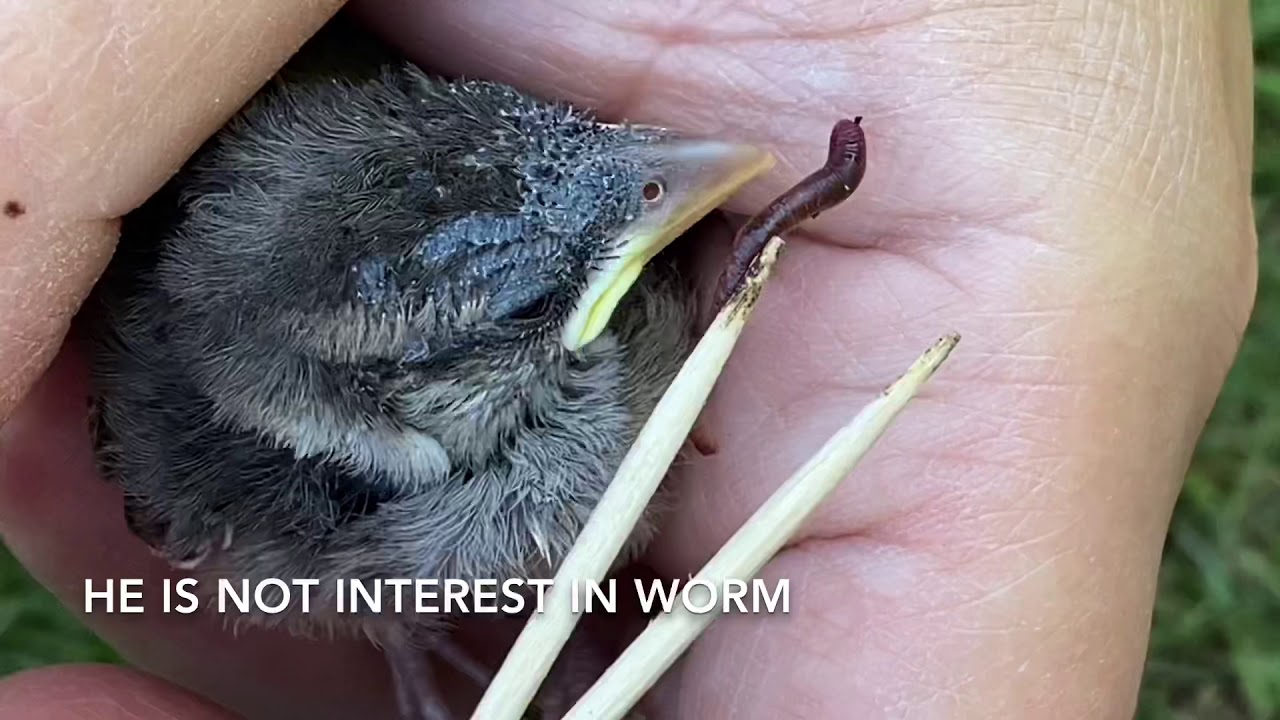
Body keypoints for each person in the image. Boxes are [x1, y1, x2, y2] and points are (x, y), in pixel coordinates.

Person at [0, 1, 1257, 717]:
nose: (681, 178)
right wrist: (398, 628)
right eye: (528, 303)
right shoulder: (206, 467)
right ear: (388, 409)